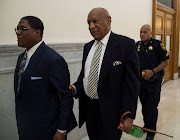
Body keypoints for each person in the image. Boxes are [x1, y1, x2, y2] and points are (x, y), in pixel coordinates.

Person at [70, 8, 140, 140]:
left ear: (109, 20)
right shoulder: (87, 47)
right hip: (90, 111)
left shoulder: (125, 45)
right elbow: (85, 77)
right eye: (88, 23)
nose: (91, 26)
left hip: (112, 113)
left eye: (95, 21)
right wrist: (73, 88)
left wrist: (128, 115)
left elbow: (131, 84)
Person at [14, 16, 77, 140]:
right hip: (25, 128)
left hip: (47, 130)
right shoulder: (21, 58)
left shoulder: (53, 60)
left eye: (23, 29)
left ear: (37, 32)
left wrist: (61, 130)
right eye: (17, 29)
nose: (17, 32)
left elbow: (66, 96)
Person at [136, 24, 169, 140]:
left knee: (152, 106)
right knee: (144, 105)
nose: (142, 34)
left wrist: (153, 71)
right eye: (140, 32)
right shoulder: (137, 45)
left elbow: (166, 62)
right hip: (141, 82)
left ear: (150, 33)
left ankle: (151, 132)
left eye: (144, 32)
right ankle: (146, 125)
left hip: (154, 82)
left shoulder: (157, 44)